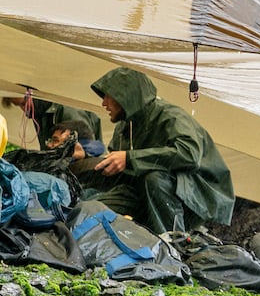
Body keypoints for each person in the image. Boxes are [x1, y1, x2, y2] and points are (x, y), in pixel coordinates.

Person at [87, 67, 235, 234]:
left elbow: (190, 155)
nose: (103, 103)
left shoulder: (171, 116)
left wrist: (130, 159)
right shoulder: (124, 127)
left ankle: (172, 244)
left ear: (125, 95)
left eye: (108, 96)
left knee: (154, 179)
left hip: (194, 198)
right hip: (144, 192)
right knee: (90, 210)